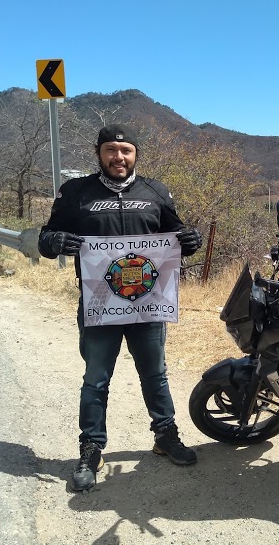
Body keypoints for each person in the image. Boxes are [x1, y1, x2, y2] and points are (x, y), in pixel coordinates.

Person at [38, 124, 203, 492]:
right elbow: (45, 238)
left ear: (135, 155)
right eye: (111, 150)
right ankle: (90, 448)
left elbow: (177, 236)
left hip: (148, 304)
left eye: (126, 150)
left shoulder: (155, 191)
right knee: (96, 379)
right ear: (99, 153)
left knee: (155, 374)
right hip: (100, 304)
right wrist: (56, 241)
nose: (119, 157)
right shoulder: (76, 192)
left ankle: (165, 435)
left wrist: (192, 239)